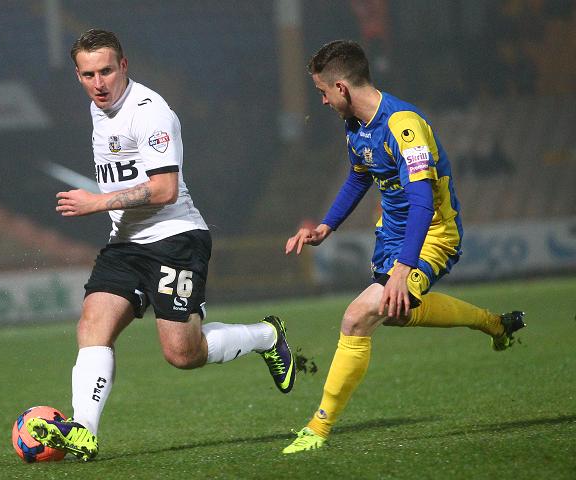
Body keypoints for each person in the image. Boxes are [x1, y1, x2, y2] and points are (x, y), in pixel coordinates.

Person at [26, 29, 295, 461]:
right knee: (93, 326)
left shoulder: (151, 113)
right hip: (126, 242)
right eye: (89, 74)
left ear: (125, 66)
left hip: (175, 240)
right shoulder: (98, 105)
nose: (99, 83)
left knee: (182, 354)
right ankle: (84, 431)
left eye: (107, 71)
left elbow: (165, 189)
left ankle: (266, 335)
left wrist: (98, 202)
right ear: (78, 76)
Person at [282, 40, 525, 454]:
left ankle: (318, 428)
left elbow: (422, 200)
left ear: (341, 87)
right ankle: (493, 323)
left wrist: (403, 266)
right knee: (394, 313)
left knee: (357, 317)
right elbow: (360, 176)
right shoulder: (356, 126)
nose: (321, 101)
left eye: (322, 92)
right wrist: (326, 226)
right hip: (392, 235)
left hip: (431, 234)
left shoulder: (403, 124)